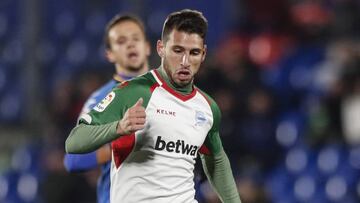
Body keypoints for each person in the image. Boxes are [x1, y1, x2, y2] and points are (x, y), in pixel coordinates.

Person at [65, 9, 241, 203]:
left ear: (204, 54)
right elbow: (74, 142)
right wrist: (118, 128)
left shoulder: (207, 107)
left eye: (194, 53)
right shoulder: (132, 92)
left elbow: (216, 160)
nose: (185, 61)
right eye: (177, 50)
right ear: (161, 48)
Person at [63, 14, 150, 203]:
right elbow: (73, 160)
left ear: (148, 46)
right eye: (121, 41)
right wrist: (118, 147)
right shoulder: (101, 98)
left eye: (136, 38)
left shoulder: (170, 94)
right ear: (109, 54)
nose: (130, 45)